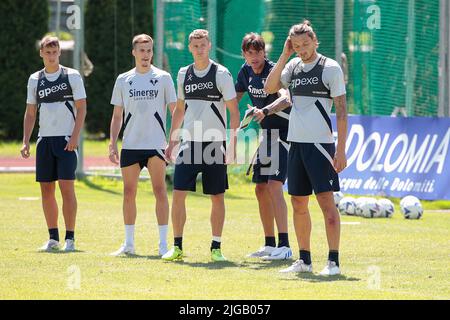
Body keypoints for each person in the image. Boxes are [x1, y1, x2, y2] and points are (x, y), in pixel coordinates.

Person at [264, 20, 348, 275]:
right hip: (296, 145)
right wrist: (284, 54)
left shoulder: (330, 68)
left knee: (326, 203)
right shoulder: (293, 66)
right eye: (297, 45)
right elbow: (270, 87)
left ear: (315, 41)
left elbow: (342, 112)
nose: (302, 49)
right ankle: (305, 261)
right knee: (298, 204)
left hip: (321, 146)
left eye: (306, 44)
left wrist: (341, 150)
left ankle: (333, 262)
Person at [163, 29, 240, 262]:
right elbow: (179, 109)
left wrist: (233, 144)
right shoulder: (183, 73)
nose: (199, 49)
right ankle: (177, 247)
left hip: (215, 144)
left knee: (216, 196)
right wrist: (172, 140)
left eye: (203, 45)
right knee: (178, 194)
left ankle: (216, 248)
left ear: (209, 46)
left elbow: (234, 113)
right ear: (190, 48)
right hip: (189, 143)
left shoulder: (221, 74)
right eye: (195, 46)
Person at [109, 34, 177, 256]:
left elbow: (175, 111)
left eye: (149, 50)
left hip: (156, 145)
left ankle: (163, 245)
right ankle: (129, 244)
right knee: (129, 192)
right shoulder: (123, 80)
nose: (145, 55)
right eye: (141, 50)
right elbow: (117, 115)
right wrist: (112, 143)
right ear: (134, 52)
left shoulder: (164, 77)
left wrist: (174, 140)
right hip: (130, 145)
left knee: (160, 191)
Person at [21, 35, 87, 252]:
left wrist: (75, 137)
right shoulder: (34, 79)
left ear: (59, 53)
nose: (51, 56)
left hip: (66, 141)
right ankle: (53, 238)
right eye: (47, 52)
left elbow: (82, 108)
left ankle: (70, 239)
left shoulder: (72, 76)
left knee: (67, 188)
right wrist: (25, 141)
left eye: (54, 52)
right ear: (41, 53)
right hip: (44, 141)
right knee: (46, 190)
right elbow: (31, 113)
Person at [235, 33, 292, 260]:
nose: (254, 57)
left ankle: (285, 246)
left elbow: (286, 98)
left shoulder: (273, 70)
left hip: (285, 134)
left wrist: (265, 111)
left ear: (264, 52)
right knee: (260, 188)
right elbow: (233, 100)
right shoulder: (245, 72)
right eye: (250, 53)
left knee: (274, 185)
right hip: (266, 136)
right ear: (244, 55)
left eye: (258, 52)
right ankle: (269, 244)